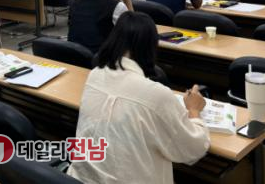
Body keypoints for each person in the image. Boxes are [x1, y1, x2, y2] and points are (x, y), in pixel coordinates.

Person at [68, 12, 210, 184]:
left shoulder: (95, 75)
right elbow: (193, 148)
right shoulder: (157, 94)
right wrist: (194, 111)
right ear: (150, 48)